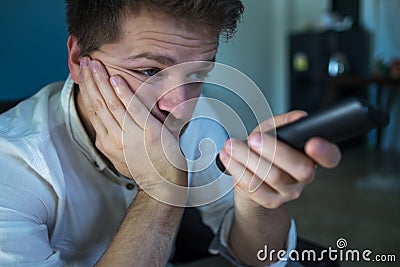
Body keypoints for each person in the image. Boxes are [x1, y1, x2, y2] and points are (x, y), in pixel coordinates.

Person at [0, 0, 341, 266]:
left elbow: (257, 256)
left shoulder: (199, 114)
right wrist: (164, 188)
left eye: (196, 75)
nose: (180, 108)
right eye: (149, 71)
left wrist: (258, 203)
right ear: (77, 60)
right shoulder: (11, 167)